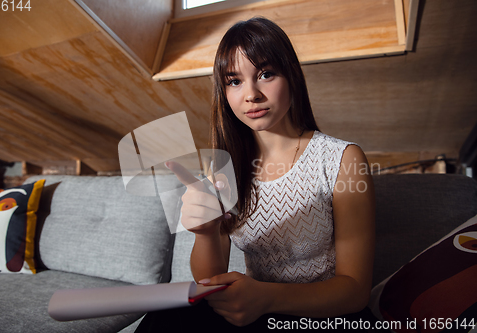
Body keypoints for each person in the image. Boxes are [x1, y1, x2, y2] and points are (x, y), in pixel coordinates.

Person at [136, 17, 376, 332]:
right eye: (234, 81)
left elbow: (355, 291)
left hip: (326, 317)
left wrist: (267, 298)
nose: (251, 94)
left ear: (291, 75)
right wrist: (206, 233)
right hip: (258, 312)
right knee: (164, 316)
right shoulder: (224, 167)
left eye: (265, 74)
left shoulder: (341, 159)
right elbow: (209, 280)